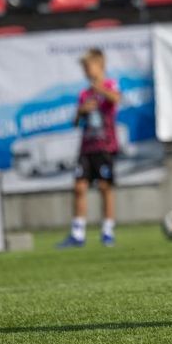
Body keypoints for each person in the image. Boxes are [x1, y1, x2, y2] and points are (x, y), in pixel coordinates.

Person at [57, 48, 123, 249]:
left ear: (100, 66)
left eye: (89, 66)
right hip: (87, 147)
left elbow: (116, 99)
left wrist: (100, 89)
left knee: (105, 187)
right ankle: (78, 233)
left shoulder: (109, 85)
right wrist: (80, 111)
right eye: (84, 68)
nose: (86, 71)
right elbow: (76, 122)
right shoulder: (84, 94)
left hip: (105, 146)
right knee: (79, 187)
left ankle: (107, 231)